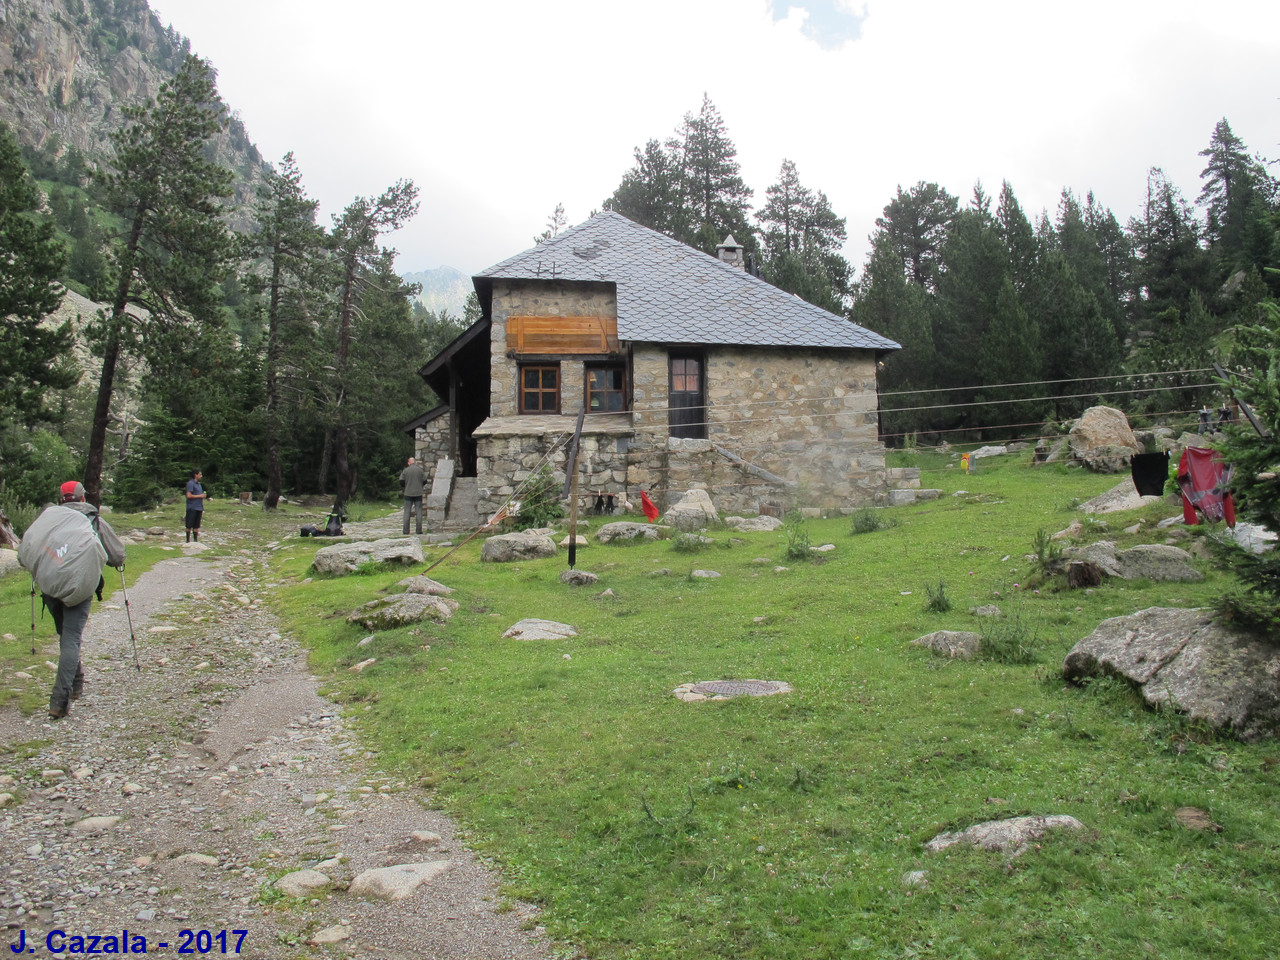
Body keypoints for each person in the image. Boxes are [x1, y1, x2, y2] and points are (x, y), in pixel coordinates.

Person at [43, 482, 126, 719]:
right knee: (71, 639)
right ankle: (59, 700)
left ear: (61, 499)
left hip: (50, 586)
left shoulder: (48, 520)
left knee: (65, 636)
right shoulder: (92, 518)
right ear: (81, 498)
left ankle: (77, 683)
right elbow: (118, 556)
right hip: (79, 586)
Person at [400, 456, 427, 535]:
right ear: (415, 462)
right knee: (418, 511)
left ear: (409, 463)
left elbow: (401, 481)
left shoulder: (406, 470)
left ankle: (406, 531)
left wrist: (406, 486)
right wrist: (420, 485)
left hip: (408, 493)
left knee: (407, 512)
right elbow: (425, 481)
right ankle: (418, 530)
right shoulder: (420, 470)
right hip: (418, 493)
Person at [185, 469, 207, 542]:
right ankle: (187, 541)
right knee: (189, 525)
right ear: (195, 475)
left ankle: (195, 541)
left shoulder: (199, 484)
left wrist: (203, 496)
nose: (201, 476)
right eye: (200, 474)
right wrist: (200, 496)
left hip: (199, 507)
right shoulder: (190, 483)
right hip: (192, 507)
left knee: (196, 525)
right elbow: (188, 495)